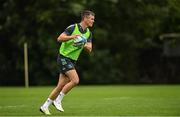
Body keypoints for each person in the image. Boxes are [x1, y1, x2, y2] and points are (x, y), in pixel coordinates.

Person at [40, 10, 95, 115]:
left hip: (72, 60)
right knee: (75, 80)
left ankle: (44, 106)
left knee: (60, 85)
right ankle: (58, 100)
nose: (93, 21)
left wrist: (83, 43)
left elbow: (90, 49)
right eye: (92, 19)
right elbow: (59, 38)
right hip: (64, 57)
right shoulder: (72, 28)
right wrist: (73, 37)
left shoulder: (88, 33)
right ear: (85, 18)